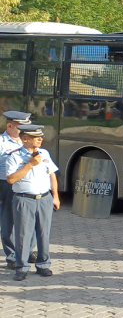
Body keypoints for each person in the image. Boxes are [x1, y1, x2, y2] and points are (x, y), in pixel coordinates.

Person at [5, 124, 59, 281]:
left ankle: (43, 265)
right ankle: (21, 267)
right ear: (25, 139)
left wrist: (55, 196)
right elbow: (11, 179)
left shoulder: (45, 153)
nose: (40, 139)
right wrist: (29, 164)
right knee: (23, 235)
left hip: (44, 199)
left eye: (41, 136)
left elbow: (52, 175)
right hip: (24, 199)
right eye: (37, 137)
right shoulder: (14, 156)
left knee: (44, 233)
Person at [1, 111, 36, 269]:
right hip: (7, 185)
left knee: (31, 220)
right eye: (22, 127)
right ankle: (12, 256)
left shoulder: (28, 141)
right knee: (8, 221)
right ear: (10, 126)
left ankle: (26, 252)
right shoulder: (1, 143)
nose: (25, 131)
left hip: (29, 185)